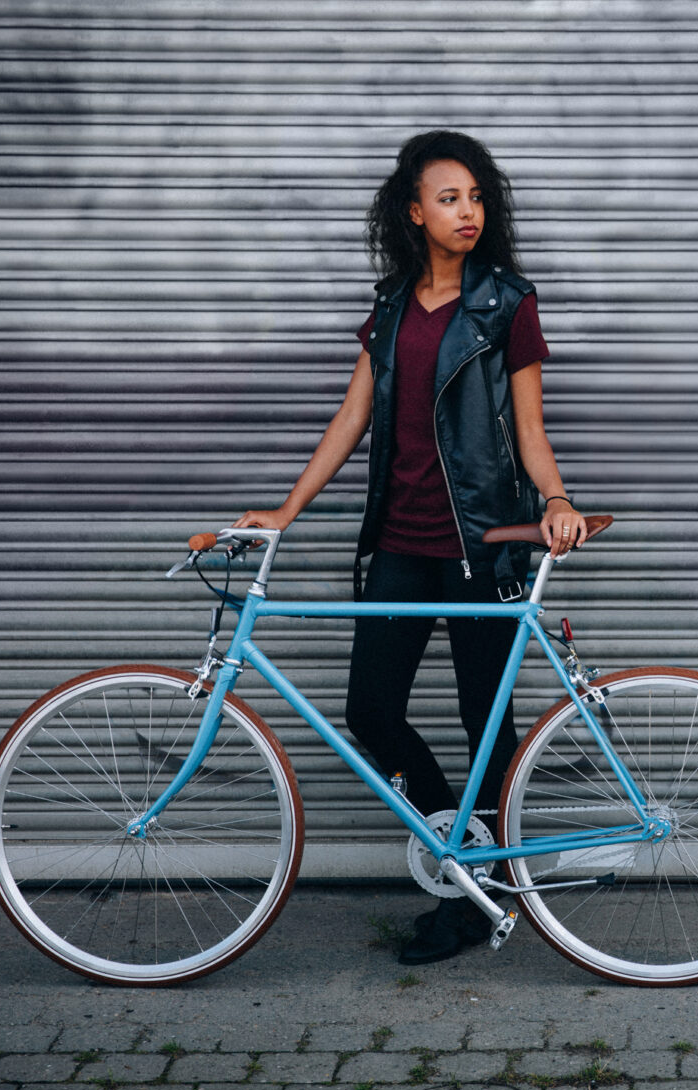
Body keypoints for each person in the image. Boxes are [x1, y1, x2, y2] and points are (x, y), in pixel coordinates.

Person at [233, 131, 587, 964]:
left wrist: (557, 499)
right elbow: (352, 417)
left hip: (479, 548)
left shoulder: (506, 303)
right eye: (449, 198)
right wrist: (285, 510)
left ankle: (474, 898)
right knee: (371, 709)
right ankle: (459, 849)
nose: (469, 212)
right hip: (400, 543)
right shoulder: (392, 307)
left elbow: (530, 431)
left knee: (484, 725)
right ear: (414, 212)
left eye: (477, 197)